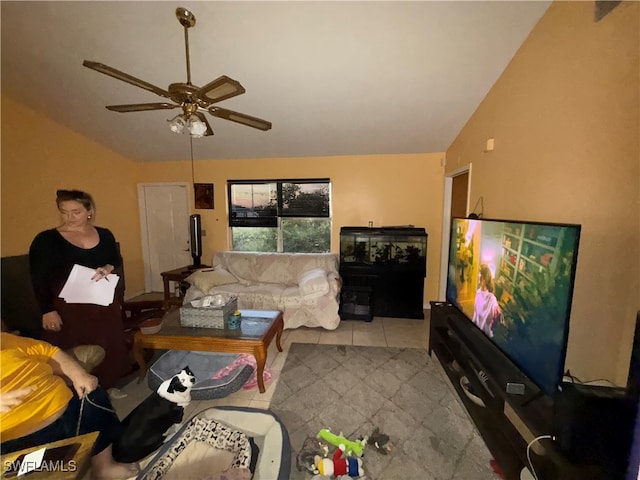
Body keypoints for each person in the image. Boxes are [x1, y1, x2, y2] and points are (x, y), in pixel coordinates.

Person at [29, 189, 129, 393]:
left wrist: (108, 268)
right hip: (67, 306)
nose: (69, 217)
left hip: (101, 302)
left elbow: (115, 259)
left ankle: (106, 387)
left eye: (76, 212)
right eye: (64, 212)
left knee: (108, 343)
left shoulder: (104, 234)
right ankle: (73, 388)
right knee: (72, 347)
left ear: (89, 210)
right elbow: (38, 277)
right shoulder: (46, 240)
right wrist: (47, 310)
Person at [0, 332, 139, 479]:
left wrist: (77, 373)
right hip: (21, 442)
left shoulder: (5, 340)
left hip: (70, 410)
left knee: (92, 393)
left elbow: (47, 351)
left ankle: (104, 467)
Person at [472, 264, 501, 337]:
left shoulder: (491, 298)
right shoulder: (478, 293)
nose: (479, 277)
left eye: (480, 276)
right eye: (479, 275)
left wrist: (496, 309)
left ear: (485, 279)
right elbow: (475, 314)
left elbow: (495, 306)